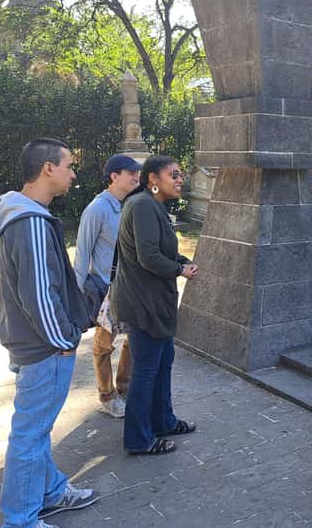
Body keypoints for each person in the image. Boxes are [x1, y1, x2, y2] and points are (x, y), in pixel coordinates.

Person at [0, 138, 98, 528]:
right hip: (44, 348)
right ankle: (20, 520)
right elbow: (38, 294)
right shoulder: (30, 221)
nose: (72, 173)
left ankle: (50, 492)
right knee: (30, 435)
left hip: (30, 342)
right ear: (48, 168)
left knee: (37, 428)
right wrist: (65, 341)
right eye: (68, 165)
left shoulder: (22, 213)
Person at [110, 155, 199, 455]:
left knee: (162, 364)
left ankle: (163, 421)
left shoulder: (152, 206)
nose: (179, 179)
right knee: (147, 370)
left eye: (180, 174)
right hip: (143, 304)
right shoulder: (144, 206)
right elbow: (148, 257)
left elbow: (158, 250)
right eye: (172, 174)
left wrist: (181, 261)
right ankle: (139, 439)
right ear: (153, 180)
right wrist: (179, 270)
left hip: (155, 303)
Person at [73, 154, 142, 418]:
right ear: (114, 176)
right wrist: (76, 294)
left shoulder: (130, 205)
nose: (136, 177)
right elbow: (83, 254)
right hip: (105, 289)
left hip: (130, 286)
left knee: (134, 340)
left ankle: (124, 389)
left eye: (137, 173)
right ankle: (107, 395)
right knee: (104, 345)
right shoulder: (97, 209)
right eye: (130, 173)